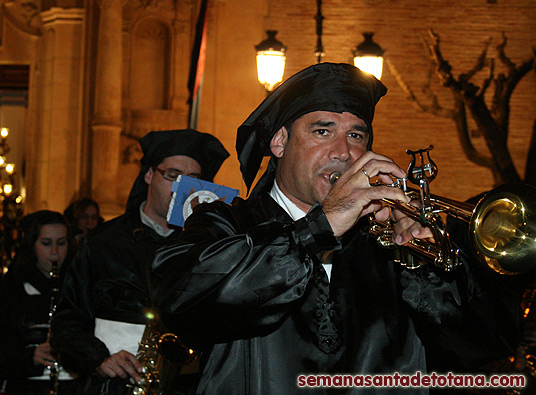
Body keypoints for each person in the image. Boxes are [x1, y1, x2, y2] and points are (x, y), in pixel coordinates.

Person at [148, 63, 523, 394]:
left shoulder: (390, 240)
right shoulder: (226, 223)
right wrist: (319, 228)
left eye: (357, 135)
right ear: (279, 141)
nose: (344, 152)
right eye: (323, 132)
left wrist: (426, 267)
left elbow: (485, 346)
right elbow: (180, 300)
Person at [51, 129, 229, 395]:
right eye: (173, 175)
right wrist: (99, 359)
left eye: (193, 179)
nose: (183, 187)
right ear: (148, 175)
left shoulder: (209, 248)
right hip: (112, 386)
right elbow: (67, 322)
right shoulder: (102, 243)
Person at [0, 210, 83, 394]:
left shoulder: (79, 287)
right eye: (46, 243)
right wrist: (30, 357)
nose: (54, 252)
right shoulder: (9, 290)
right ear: (32, 245)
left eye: (61, 243)